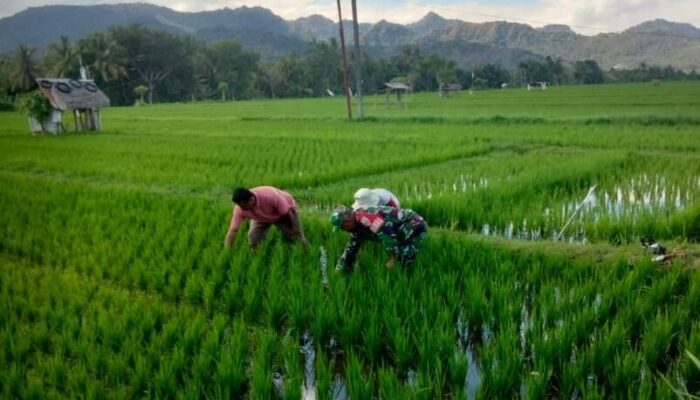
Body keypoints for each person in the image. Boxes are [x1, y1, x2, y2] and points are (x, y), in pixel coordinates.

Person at [330, 205, 427, 272]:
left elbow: (389, 239)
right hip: (398, 230)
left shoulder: (367, 219)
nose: (343, 230)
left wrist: (393, 258)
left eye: (342, 227)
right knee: (400, 258)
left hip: (413, 224)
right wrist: (339, 269)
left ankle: (411, 279)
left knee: (405, 256)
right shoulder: (357, 226)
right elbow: (351, 249)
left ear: (347, 222)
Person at [224, 186, 308, 250]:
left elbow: (287, 213)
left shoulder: (270, 197)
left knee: (296, 237)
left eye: (243, 206)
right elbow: (233, 230)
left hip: (284, 213)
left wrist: (292, 228)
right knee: (253, 236)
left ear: (251, 200)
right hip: (261, 218)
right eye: (239, 205)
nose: (241, 209)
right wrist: (227, 249)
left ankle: (305, 251)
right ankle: (257, 255)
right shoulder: (240, 209)